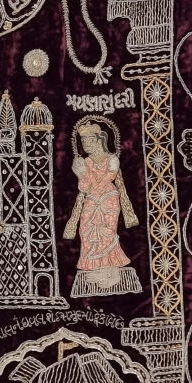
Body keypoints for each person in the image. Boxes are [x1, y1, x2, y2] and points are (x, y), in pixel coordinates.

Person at [64, 120, 137, 287]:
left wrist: (84, 174)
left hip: (107, 199)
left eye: (89, 140)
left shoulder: (111, 160)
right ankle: (96, 270)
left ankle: (111, 272)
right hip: (91, 199)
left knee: (106, 234)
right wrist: (81, 175)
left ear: (99, 140)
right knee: (86, 231)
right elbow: (85, 187)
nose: (86, 144)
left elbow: (104, 182)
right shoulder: (86, 162)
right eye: (83, 141)